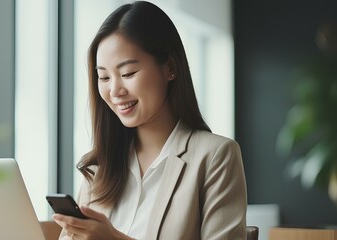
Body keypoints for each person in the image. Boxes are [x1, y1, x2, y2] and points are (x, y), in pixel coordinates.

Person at [52, 1, 247, 240]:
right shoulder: (100, 167)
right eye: (103, 77)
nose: (115, 90)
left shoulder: (216, 156)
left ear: (170, 68)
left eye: (128, 74)